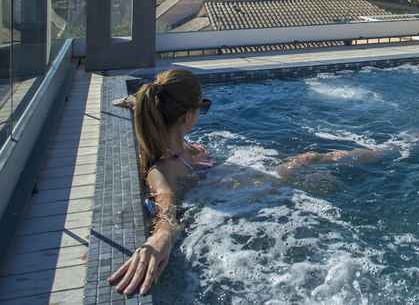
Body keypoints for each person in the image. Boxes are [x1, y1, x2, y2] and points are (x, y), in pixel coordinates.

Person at [107, 69, 401, 296]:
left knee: (314, 171)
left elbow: (152, 105)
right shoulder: (164, 170)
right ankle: (392, 150)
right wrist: (159, 239)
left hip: (235, 188)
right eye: (202, 108)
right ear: (186, 116)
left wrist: (135, 102)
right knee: (308, 158)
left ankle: (384, 152)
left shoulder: (180, 146)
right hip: (245, 197)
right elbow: (166, 206)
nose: (202, 114)